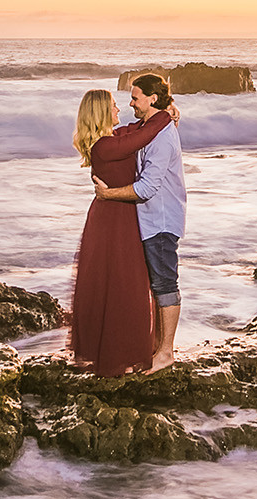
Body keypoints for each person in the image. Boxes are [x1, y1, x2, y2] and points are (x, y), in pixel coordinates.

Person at [89, 73, 186, 370]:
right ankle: (157, 349)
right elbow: (128, 135)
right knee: (156, 284)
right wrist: (169, 113)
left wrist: (108, 196)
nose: (130, 103)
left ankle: (166, 352)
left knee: (165, 283)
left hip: (161, 219)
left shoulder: (162, 137)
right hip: (148, 219)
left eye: (135, 97)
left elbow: (146, 188)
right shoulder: (150, 128)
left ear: (151, 99)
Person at [68, 89, 161, 377]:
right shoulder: (103, 147)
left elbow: (133, 130)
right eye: (113, 106)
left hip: (118, 214)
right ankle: (117, 356)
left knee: (124, 282)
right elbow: (141, 136)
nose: (119, 109)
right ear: (100, 113)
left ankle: (120, 352)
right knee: (121, 283)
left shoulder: (111, 140)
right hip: (112, 219)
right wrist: (165, 113)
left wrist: (154, 116)